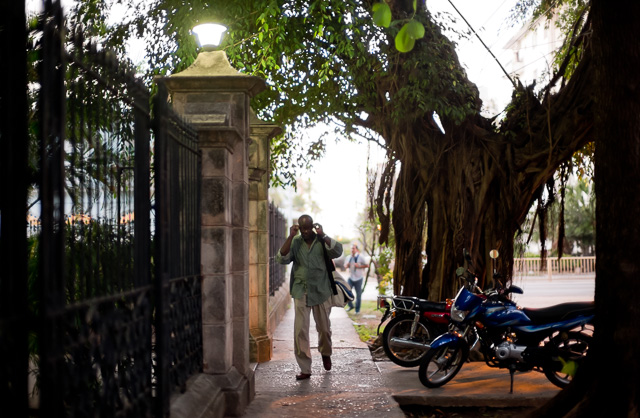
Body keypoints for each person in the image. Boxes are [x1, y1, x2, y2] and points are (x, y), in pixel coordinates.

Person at [276, 214, 343, 380]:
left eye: (308, 227)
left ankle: (325, 353)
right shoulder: (296, 242)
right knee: (300, 331)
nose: (305, 231)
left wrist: (323, 234)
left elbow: (338, 251)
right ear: (299, 227)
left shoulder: (321, 240)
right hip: (301, 290)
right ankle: (305, 368)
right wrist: (291, 236)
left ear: (313, 226)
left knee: (324, 329)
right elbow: (281, 258)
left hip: (322, 290)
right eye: (302, 228)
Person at [344, 244, 368, 314]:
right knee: (346, 291)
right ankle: (351, 306)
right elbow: (345, 266)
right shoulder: (348, 257)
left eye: (353, 248)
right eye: (351, 248)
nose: (352, 250)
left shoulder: (361, 257)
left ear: (356, 250)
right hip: (351, 278)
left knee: (358, 295)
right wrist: (347, 265)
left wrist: (359, 266)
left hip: (359, 278)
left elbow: (367, 265)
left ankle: (357, 310)